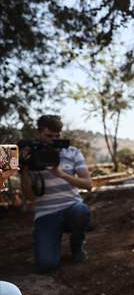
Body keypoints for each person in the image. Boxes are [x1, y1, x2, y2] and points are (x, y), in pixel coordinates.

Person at [20, 115, 92, 272]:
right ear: (39, 133)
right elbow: (30, 197)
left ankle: (77, 246)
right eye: (48, 136)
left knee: (81, 212)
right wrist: (23, 170)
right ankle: (50, 240)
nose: (53, 140)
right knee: (47, 264)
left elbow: (88, 185)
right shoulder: (30, 156)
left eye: (57, 136)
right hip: (46, 213)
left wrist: (61, 174)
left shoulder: (72, 152)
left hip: (72, 207)